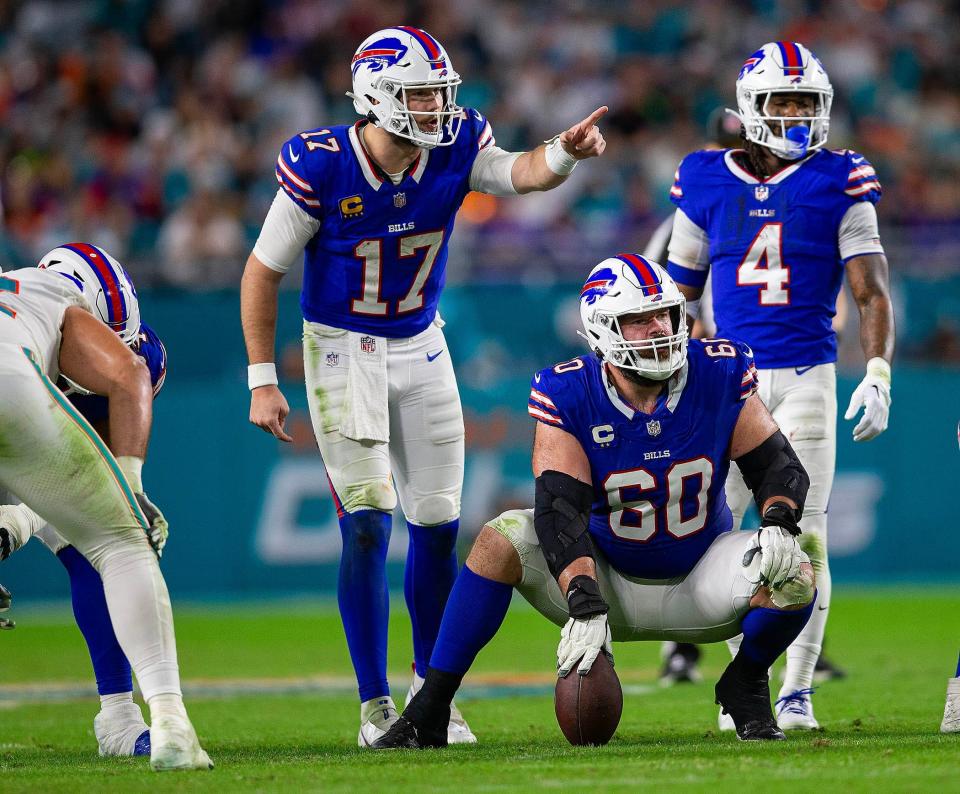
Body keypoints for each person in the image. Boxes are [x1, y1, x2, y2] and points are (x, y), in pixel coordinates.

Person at [240, 26, 606, 746]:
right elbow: (262, 271)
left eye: (441, 93)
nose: (437, 107)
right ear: (374, 96)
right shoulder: (322, 165)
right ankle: (374, 704)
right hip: (343, 347)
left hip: (422, 342)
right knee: (370, 521)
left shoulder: (458, 143)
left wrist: (564, 152)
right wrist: (261, 378)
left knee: (438, 529)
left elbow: (519, 172)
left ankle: (427, 697)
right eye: (418, 94)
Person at [374, 255, 816, 749]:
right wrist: (584, 602)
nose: (658, 328)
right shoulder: (569, 391)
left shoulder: (718, 372)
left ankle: (747, 682)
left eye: (665, 314)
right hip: (604, 579)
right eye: (639, 319)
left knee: (795, 570)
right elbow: (560, 513)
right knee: (499, 540)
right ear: (603, 329)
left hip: (701, 577)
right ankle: (431, 707)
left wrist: (778, 519)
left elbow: (779, 467)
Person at [665, 41, 895, 729]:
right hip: (726, 384)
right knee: (715, 535)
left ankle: (795, 693)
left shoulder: (841, 178)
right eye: (783, 102)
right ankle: (747, 679)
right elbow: (678, 295)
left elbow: (871, 290)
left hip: (805, 377)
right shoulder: (704, 178)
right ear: (752, 109)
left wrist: (877, 370)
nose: (797, 114)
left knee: (804, 535)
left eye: (807, 103)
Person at [649, 108, 846, 687]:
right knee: (708, 521)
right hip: (712, 372)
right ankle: (684, 651)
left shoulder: (792, 196)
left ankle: (787, 669)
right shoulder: (698, 206)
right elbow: (661, 297)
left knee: (798, 524)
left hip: (773, 367)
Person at [0, 262, 211, 771]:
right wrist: (131, 488)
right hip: (14, 393)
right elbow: (124, 379)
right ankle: (162, 721)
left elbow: (70, 472)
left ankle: (119, 718)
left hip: (22, 412)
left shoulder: (33, 302)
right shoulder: (61, 307)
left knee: (84, 550)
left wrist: (16, 523)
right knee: (120, 543)